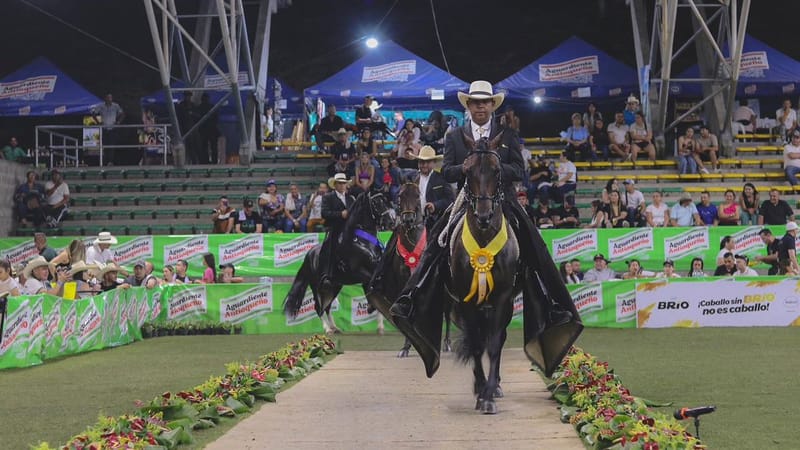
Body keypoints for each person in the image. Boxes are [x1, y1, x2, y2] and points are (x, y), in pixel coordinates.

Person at [390, 80, 580, 376]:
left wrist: (491, 164)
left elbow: (519, 171)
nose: (480, 107)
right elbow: (448, 171)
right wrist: (464, 168)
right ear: (468, 106)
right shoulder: (454, 136)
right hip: (466, 199)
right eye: (475, 102)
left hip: (502, 200)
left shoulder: (509, 135)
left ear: (493, 105)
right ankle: (412, 295)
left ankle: (550, 301)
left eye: (485, 102)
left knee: (533, 244)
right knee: (438, 243)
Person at [319, 173, 355, 288]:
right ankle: (326, 273)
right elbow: (324, 213)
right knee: (330, 246)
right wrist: (340, 214)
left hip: (349, 229)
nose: (342, 185)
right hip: (334, 227)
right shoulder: (328, 197)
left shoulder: (351, 198)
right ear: (335, 185)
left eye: (344, 183)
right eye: (340, 183)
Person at [412, 146, 454, 230]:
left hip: (435, 223)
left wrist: (435, 205)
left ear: (434, 163)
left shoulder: (441, 179)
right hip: (414, 222)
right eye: (421, 162)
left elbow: (450, 200)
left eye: (427, 162)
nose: (424, 165)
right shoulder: (412, 178)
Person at [92, 94, 125, 165]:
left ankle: (110, 161)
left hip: (112, 129)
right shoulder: (101, 106)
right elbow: (93, 113)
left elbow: (122, 114)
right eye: (108, 98)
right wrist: (98, 122)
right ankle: (105, 161)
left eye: (110, 98)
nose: (109, 99)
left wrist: (118, 122)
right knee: (104, 145)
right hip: (104, 129)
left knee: (112, 145)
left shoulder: (115, 106)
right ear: (105, 99)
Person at [196, 93, 220, 164]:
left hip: (206, 130)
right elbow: (216, 118)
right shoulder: (211, 107)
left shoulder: (200, 108)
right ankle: (212, 161)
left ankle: (206, 161)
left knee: (206, 147)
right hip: (209, 129)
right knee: (210, 147)